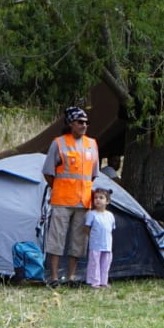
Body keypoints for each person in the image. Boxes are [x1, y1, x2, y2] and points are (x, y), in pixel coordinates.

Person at [42, 106, 99, 287]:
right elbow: (48, 171)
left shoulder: (92, 144)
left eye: (86, 122)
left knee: (79, 240)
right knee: (57, 238)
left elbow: (93, 174)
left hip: (84, 201)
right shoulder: (59, 143)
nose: (84, 125)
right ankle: (54, 277)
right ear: (70, 124)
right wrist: (59, 188)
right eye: (80, 122)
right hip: (62, 200)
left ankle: (71, 277)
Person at [85, 186, 116, 289]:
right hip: (96, 244)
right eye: (96, 198)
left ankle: (104, 281)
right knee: (95, 263)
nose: (98, 200)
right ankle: (95, 282)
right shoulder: (92, 214)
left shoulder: (110, 215)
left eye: (101, 198)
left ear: (107, 201)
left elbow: (111, 228)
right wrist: (92, 237)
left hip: (107, 244)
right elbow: (87, 228)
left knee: (105, 263)